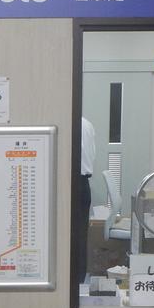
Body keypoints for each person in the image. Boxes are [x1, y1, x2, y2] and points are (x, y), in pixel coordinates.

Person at [73, 116, 96, 284]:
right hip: (83, 184)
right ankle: (78, 280)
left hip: (71, 184)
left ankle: (72, 280)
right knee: (80, 235)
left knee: (71, 236)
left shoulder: (69, 122)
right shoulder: (87, 123)